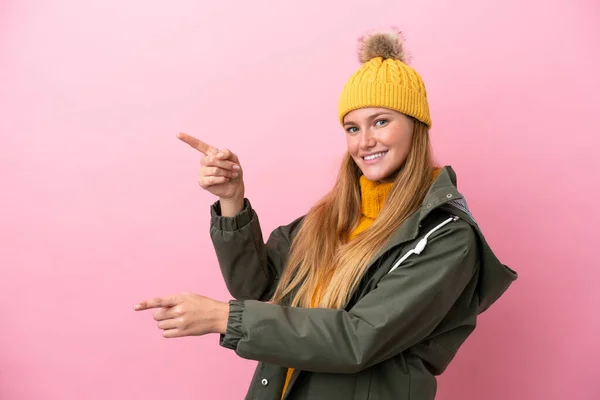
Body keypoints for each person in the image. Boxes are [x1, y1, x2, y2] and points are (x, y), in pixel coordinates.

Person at [134, 29, 518, 400]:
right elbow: (259, 289)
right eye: (352, 127)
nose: (364, 141)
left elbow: (359, 338)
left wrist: (224, 319)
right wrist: (232, 199)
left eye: (381, 121)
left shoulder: (445, 236)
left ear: (415, 127)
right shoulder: (331, 218)